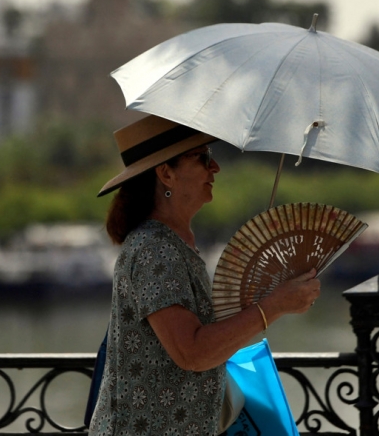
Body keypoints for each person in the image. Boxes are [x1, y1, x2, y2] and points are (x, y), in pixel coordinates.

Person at [88, 115, 321, 436]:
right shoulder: (155, 247)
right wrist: (274, 307)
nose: (215, 168)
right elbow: (192, 353)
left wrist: (266, 299)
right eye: (201, 158)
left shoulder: (173, 243)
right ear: (166, 173)